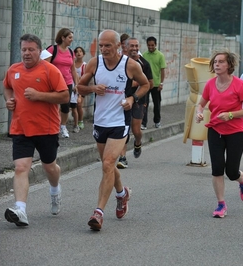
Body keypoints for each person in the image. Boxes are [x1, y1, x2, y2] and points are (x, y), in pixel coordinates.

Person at [77, 30, 149, 231]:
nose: (103, 49)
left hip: (119, 121)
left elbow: (145, 84)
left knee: (108, 163)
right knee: (107, 165)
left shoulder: (130, 65)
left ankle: (98, 213)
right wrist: (92, 89)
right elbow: (79, 87)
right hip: (100, 122)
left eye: (108, 45)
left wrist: (132, 98)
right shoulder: (95, 63)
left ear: (118, 46)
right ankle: (121, 193)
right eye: (101, 45)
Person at [3, 34, 69, 226]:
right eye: (24, 49)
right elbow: (6, 87)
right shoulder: (13, 70)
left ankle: (55, 190)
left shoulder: (50, 70)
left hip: (46, 129)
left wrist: (39, 95)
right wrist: (9, 100)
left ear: (39, 51)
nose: (27, 53)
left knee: (49, 166)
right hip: (20, 128)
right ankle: (21, 210)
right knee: (21, 167)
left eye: (31, 49)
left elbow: (65, 96)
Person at [195, 50, 243, 218]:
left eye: (221, 62)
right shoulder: (210, 84)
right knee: (217, 168)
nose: (217, 64)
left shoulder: (239, 85)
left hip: (236, 131)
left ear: (229, 65)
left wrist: (230, 115)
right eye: (215, 62)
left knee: (231, 171)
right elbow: (201, 104)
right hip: (215, 129)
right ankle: (221, 204)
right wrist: (199, 113)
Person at [117, 37, 153, 169]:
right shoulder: (119, 61)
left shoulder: (144, 64)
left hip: (138, 100)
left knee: (136, 130)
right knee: (123, 129)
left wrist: (136, 84)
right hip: (121, 100)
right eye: (131, 46)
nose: (134, 48)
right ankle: (123, 157)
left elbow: (150, 83)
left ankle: (138, 142)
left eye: (136, 46)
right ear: (125, 47)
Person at [47, 28, 79, 138]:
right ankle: (52, 127)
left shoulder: (71, 52)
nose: (71, 40)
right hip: (54, 82)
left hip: (67, 82)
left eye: (72, 38)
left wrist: (76, 84)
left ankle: (63, 126)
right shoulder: (52, 49)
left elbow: (73, 69)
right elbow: (44, 65)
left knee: (66, 106)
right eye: (70, 37)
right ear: (63, 37)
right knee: (52, 105)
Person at [142, 36, 166, 129]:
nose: (150, 47)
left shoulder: (160, 55)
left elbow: (162, 70)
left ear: (155, 45)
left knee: (157, 104)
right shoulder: (144, 55)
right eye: (149, 45)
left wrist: (161, 83)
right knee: (144, 104)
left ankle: (157, 121)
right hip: (146, 84)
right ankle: (143, 123)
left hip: (156, 84)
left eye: (152, 45)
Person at [74, 46, 87, 130]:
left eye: (80, 51)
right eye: (77, 51)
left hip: (81, 87)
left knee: (79, 105)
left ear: (83, 54)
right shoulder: (72, 64)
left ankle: (81, 121)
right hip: (73, 86)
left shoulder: (85, 65)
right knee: (73, 106)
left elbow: (86, 77)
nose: (78, 53)